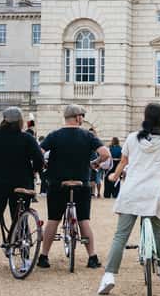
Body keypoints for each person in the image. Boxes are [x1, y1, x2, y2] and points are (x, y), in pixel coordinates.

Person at [99, 103, 160, 295]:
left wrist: (114, 177)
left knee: (120, 236)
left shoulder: (133, 138)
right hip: (154, 193)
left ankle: (109, 275)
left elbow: (123, 163)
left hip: (132, 192)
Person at [37, 105, 110, 269]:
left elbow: (38, 151)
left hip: (58, 184)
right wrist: (95, 164)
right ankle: (92, 257)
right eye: (82, 116)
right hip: (81, 184)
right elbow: (105, 154)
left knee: (53, 220)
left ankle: (44, 256)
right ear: (77, 117)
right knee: (84, 220)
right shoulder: (88, 135)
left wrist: (44, 164)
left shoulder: (54, 135)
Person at [0, 107, 45, 274]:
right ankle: (26, 259)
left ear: (4, 120)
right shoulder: (27, 138)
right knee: (20, 220)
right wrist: (34, 170)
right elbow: (39, 160)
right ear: (20, 121)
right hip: (21, 182)